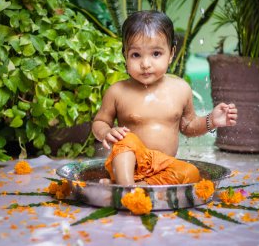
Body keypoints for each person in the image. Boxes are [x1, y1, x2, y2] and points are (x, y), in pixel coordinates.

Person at [92, 10, 237, 186]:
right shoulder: (118, 91)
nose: (146, 64)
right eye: (136, 55)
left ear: (171, 54)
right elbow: (99, 122)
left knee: (190, 173)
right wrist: (106, 132)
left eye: (156, 54)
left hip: (163, 167)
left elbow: (188, 127)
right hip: (128, 164)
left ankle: (133, 187)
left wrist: (211, 120)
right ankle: (126, 186)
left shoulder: (180, 89)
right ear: (125, 55)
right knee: (126, 139)